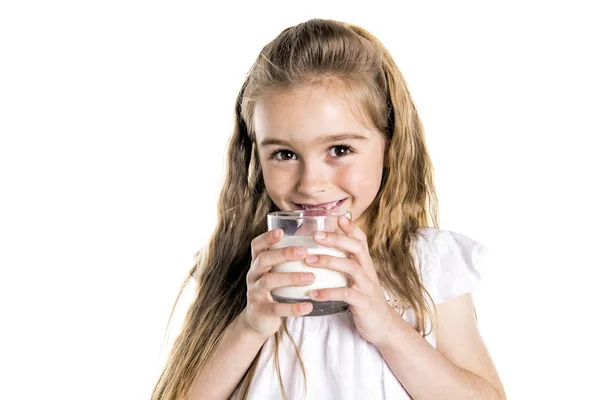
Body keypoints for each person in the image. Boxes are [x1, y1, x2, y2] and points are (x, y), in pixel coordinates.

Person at [151, 18, 506, 400]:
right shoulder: (247, 270)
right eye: (284, 154)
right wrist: (250, 327)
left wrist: (387, 326)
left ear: (390, 145)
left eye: (340, 150)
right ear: (257, 156)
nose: (311, 184)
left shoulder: (428, 263)